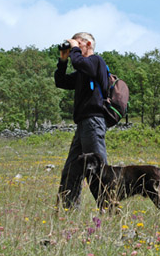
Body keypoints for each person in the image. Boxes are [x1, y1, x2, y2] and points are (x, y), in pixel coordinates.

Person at [54, 32, 109, 209]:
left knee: (97, 169)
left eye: (77, 44)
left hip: (93, 122)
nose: (73, 49)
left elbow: (81, 63)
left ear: (88, 43)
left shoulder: (96, 62)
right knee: (71, 170)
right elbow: (60, 81)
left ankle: (109, 209)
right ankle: (70, 212)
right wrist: (63, 60)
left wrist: (75, 49)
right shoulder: (82, 72)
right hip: (83, 124)